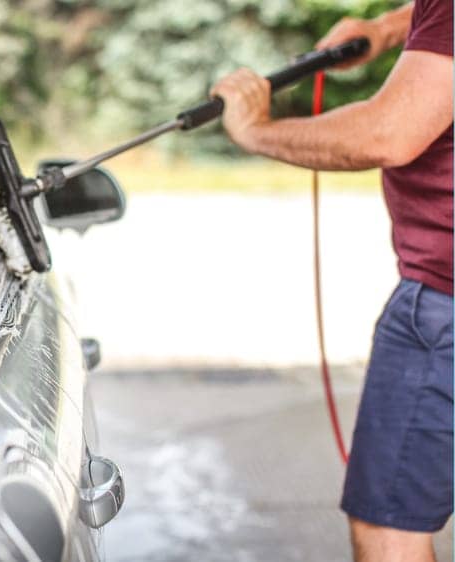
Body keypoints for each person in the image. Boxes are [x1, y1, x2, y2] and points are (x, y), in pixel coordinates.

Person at [212, 1, 453, 560]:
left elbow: (387, 135)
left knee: (390, 528)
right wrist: (389, 27)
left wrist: (257, 130)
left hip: (445, 301)